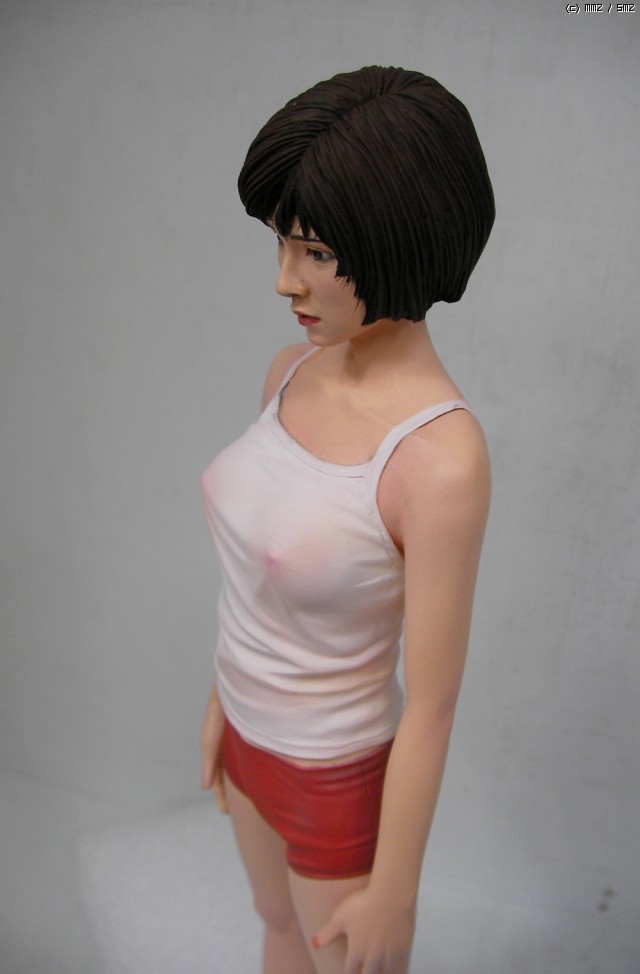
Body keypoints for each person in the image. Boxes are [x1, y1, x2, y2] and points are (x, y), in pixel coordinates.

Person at [200, 65, 495, 974]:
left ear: (399, 238)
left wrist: (396, 891)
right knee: (276, 929)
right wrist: (221, 700)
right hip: (243, 736)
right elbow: (255, 576)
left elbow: (433, 704)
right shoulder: (288, 371)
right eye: (281, 243)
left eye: (317, 252)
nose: (284, 280)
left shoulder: (438, 460)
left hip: (334, 776)